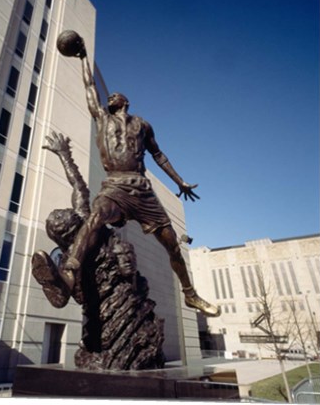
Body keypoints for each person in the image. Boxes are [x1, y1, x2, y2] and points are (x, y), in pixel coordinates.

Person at [61, 38, 220, 317]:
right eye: (109, 97)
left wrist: (179, 181)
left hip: (142, 190)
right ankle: (69, 271)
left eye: (115, 96)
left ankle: (190, 295)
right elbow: (89, 86)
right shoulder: (102, 118)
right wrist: (84, 57)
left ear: (126, 102)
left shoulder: (143, 125)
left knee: (172, 244)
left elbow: (159, 155)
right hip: (115, 187)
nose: (111, 97)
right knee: (95, 218)